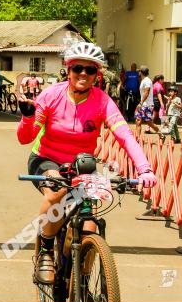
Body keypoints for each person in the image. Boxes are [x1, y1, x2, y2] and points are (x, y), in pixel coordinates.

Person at [16, 42, 156, 284]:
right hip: (46, 158)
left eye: (90, 70)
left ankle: (82, 284)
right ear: (68, 70)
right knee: (57, 191)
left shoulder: (102, 101)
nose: (83, 74)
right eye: (78, 68)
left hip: (82, 165)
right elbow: (24, 138)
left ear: (96, 75)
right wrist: (28, 118)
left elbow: (124, 135)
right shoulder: (50, 95)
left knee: (90, 224)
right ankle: (46, 252)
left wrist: (144, 168)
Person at [135, 66, 159, 134]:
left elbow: (146, 92)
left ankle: (161, 134)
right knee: (138, 120)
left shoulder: (147, 81)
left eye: (139, 71)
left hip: (147, 105)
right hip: (142, 104)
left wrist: (141, 103)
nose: (138, 73)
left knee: (149, 122)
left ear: (141, 72)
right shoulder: (143, 80)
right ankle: (137, 139)